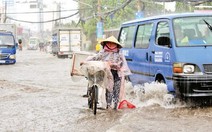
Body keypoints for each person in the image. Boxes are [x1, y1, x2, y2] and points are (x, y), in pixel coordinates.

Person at [81, 36, 131, 110]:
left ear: (116, 45)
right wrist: (86, 61)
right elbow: (96, 57)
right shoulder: (103, 52)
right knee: (109, 89)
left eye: (112, 43)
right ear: (106, 44)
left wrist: (115, 65)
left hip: (117, 73)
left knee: (116, 90)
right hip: (106, 72)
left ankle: (115, 107)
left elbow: (123, 63)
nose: (110, 45)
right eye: (109, 43)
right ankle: (108, 106)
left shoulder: (119, 53)